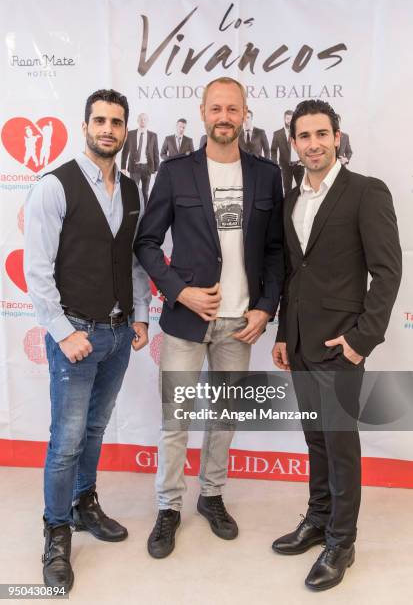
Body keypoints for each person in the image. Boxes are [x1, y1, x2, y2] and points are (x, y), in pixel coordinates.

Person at [135, 76, 284, 559]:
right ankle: (168, 508)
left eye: (233, 109)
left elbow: (276, 250)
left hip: (240, 324)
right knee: (175, 420)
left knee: (224, 418)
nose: (224, 116)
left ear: (245, 115)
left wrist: (266, 307)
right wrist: (179, 292)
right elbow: (147, 242)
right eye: (216, 108)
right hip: (186, 322)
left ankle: (212, 496)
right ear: (202, 112)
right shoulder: (176, 171)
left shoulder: (267, 174)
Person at [271, 99, 402, 591]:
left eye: (321, 134)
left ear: (337, 136)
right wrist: (284, 334)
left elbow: (387, 272)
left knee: (341, 445)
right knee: (315, 439)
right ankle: (318, 520)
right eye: (304, 136)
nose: (313, 144)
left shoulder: (366, 192)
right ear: (294, 143)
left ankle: (341, 542)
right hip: (302, 344)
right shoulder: (291, 200)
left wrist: (360, 341)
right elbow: (291, 275)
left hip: (340, 346)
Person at [24, 89, 151, 592]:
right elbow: (36, 272)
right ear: (85, 126)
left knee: (95, 429)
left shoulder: (133, 189)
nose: (108, 129)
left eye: (116, 122)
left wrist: (140, 317)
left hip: (120, 335)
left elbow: (136, 262)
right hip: (75, 334)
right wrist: (63, 331)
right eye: (100, 120)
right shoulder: (54, 186)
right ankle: (56, 531)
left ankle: (83, 504)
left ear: (125, 131)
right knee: (65, 442)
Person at [121, 112, 159, 206]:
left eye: (144, 119)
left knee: (145, 192)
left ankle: (145, 212)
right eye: (141, 119)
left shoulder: (153, 135)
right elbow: (125, 151)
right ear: (138, 121)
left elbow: (156, 153)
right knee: (134, 192)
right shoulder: (130, 134)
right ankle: (135, 211)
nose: (143, 121)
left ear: (147, 121)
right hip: (134, 167)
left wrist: (157, 169)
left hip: (147, 167)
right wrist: (123, 167)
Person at [271, 109, 304, 195]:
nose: (289, 121)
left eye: (291, 119)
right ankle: (288, 207)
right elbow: (273, 150)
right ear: (284, 119)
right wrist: (275, 164)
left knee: (302, 189)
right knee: (287, 189)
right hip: (285, 166)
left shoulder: (300, 132)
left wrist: (304, 161)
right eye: (287, 119)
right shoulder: (277, 134)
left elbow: (305, 147)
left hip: (299, 165)